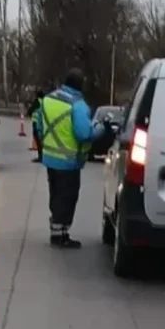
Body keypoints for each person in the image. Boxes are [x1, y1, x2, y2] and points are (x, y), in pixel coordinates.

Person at [39, 69, 105, 248]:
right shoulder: (78, 105)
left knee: (55, 195)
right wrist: (99, 128)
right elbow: (84, 134)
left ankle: (55, 231)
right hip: (68, 162)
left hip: (50, 157)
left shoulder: (48, 99)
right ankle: (61, 235)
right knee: (67, 197)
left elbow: (39, 125)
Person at [27, 90, 45, 163]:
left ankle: (40, 157)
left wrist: (30, 114)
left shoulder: (37, 102)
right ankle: (43, 156)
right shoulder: (44, 102)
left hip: (36, 123)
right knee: (42, 140)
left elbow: (30, 111)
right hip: (43, 123)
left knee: (38, 140)